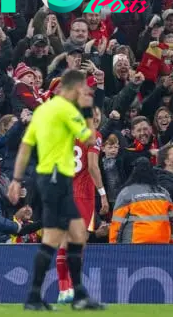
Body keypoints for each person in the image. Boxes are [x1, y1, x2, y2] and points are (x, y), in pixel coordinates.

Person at [9, 70, 105, 311]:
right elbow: (90, 139)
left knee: (75, 235)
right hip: (58, 179)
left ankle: (75, 293)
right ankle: (41, 295)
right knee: (57, 238)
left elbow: (25, 147)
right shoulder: (67, 111)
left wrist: (16, 179)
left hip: (47, 179)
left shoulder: (43, 112)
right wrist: (86, 112)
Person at [56, 106, 108, 304]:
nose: (95, 119)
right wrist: (103, 194)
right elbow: (93, 166)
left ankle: (65, 289)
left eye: (97, 115)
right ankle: (72, 288)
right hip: (82, 195)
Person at [109, 158, 173, 244]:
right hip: (162, 243)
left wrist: (113, 246)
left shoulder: (127, 192)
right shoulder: (163, 193)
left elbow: (117, 222)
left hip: (134, 245)